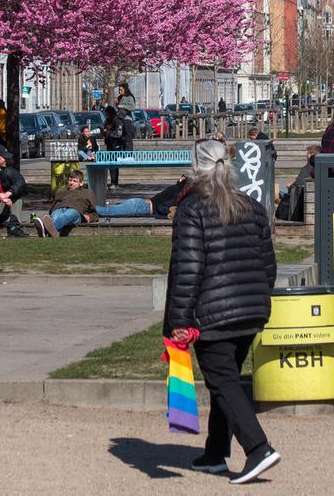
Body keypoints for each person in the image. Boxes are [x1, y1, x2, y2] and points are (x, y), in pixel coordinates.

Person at [163, 139, 281, 484]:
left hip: (211, 313)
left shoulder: (192, 208)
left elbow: (187, 269)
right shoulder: (252, 206)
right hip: (250, 308)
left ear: (194, 168)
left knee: (223, 381)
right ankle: (215, 452)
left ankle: (258, 447)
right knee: (225, 380)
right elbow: (268, 264)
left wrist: (177, 323)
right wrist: (258, 299)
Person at [33, 170, 98, 237]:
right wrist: (52, 212)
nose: (71, 183)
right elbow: (53, 206)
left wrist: (90, 217)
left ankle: (44, 230)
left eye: (75, 181)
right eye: (70, 180)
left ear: (81, 183)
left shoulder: (88, 193)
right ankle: (52, 233)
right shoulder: (61, 191)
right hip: (59, 209)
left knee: (66, 216)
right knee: (55, 216)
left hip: (75, 211)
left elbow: (95, 212)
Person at [94, 175, 191, 219]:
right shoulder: (178, 191)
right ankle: (87, 209)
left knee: (108, 210)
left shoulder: (176, 190)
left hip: (140, 204)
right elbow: (161, 208)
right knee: (106, 211)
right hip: (141, 206)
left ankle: (88, 209)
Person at [102, 106, 126, 187]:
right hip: (110, 144)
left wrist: (108, 133)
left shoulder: (117, 120)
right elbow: (104, 130)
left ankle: (115, 182)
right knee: (111, 164)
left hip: (117, 145)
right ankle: (113, 182)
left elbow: (119, 134)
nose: (106, 116)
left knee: (114, 165)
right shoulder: (107, 121)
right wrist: (104, 132)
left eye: (107, 114)